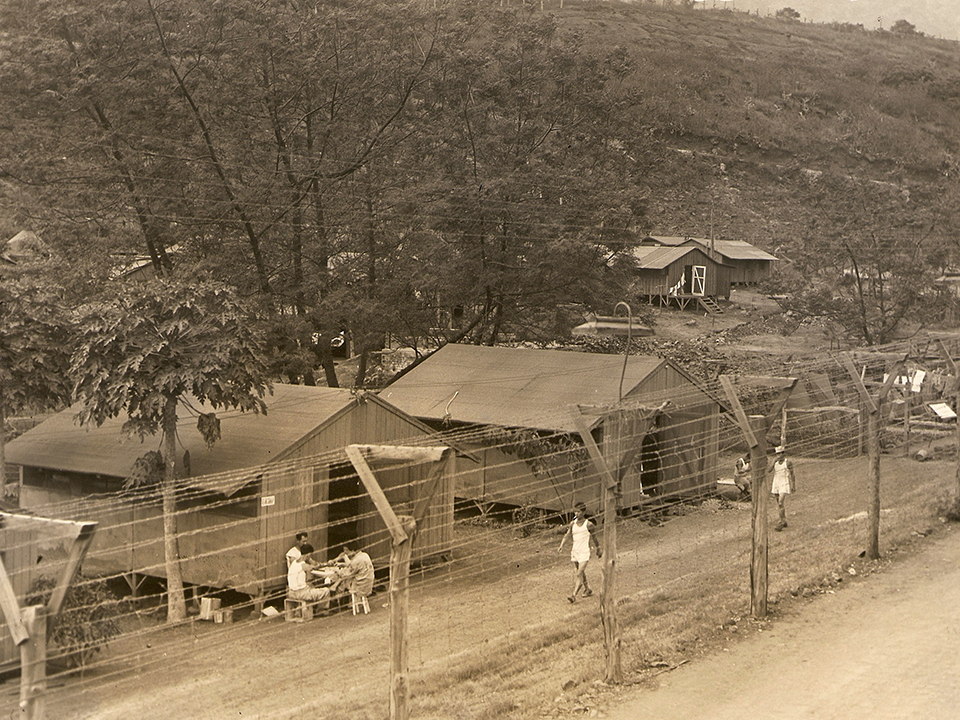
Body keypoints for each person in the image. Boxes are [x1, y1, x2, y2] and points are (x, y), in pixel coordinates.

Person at [558, 502, 602, 603]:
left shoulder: (589, 524)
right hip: (575, 551)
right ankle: (588, 589)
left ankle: (573, 595)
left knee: (579, 574)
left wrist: (598, 548)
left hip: (584, 552)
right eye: (575, 511)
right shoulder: (572, 524)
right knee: (581, 572)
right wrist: (561, 545)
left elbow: (594, 537)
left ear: (583, 512)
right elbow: (567, 534)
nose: (576, 514)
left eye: (578, 512)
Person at [286, 544, 331, 610]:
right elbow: (313, 569)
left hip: (291, 592)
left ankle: (314, 609)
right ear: (308, 555)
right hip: (300, 593)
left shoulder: (294, 563)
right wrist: (327, 564)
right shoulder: (303, 565)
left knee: (311, 587)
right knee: (326, 591)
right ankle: (322, 611)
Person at [770, 446, 796, 531]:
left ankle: (780, 522)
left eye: (780, 453)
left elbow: (792, 474)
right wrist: (773, 462)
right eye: (777, 454)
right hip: (776, 482)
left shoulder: (787, 462)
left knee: (781, 502)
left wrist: (793, 485)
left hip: (784, 483)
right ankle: (783, 519)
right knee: (779, 503)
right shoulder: (775, 462)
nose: (779, 455)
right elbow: (769, 470)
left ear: (783, 454)